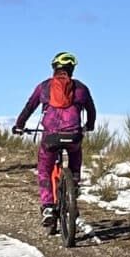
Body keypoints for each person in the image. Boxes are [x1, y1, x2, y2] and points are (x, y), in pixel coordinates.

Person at [14, 51, 96, 232]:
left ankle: (48, 207)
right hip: (74, 136)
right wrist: (89, 126)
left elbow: (29, 107)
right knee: (75, 158)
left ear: (54, 69)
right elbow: (91, 110)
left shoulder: (44, 87)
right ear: (72, 69)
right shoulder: (81, 88)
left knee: (44, 169)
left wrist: (19, 125)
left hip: (51, 137)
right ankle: (73, 185)